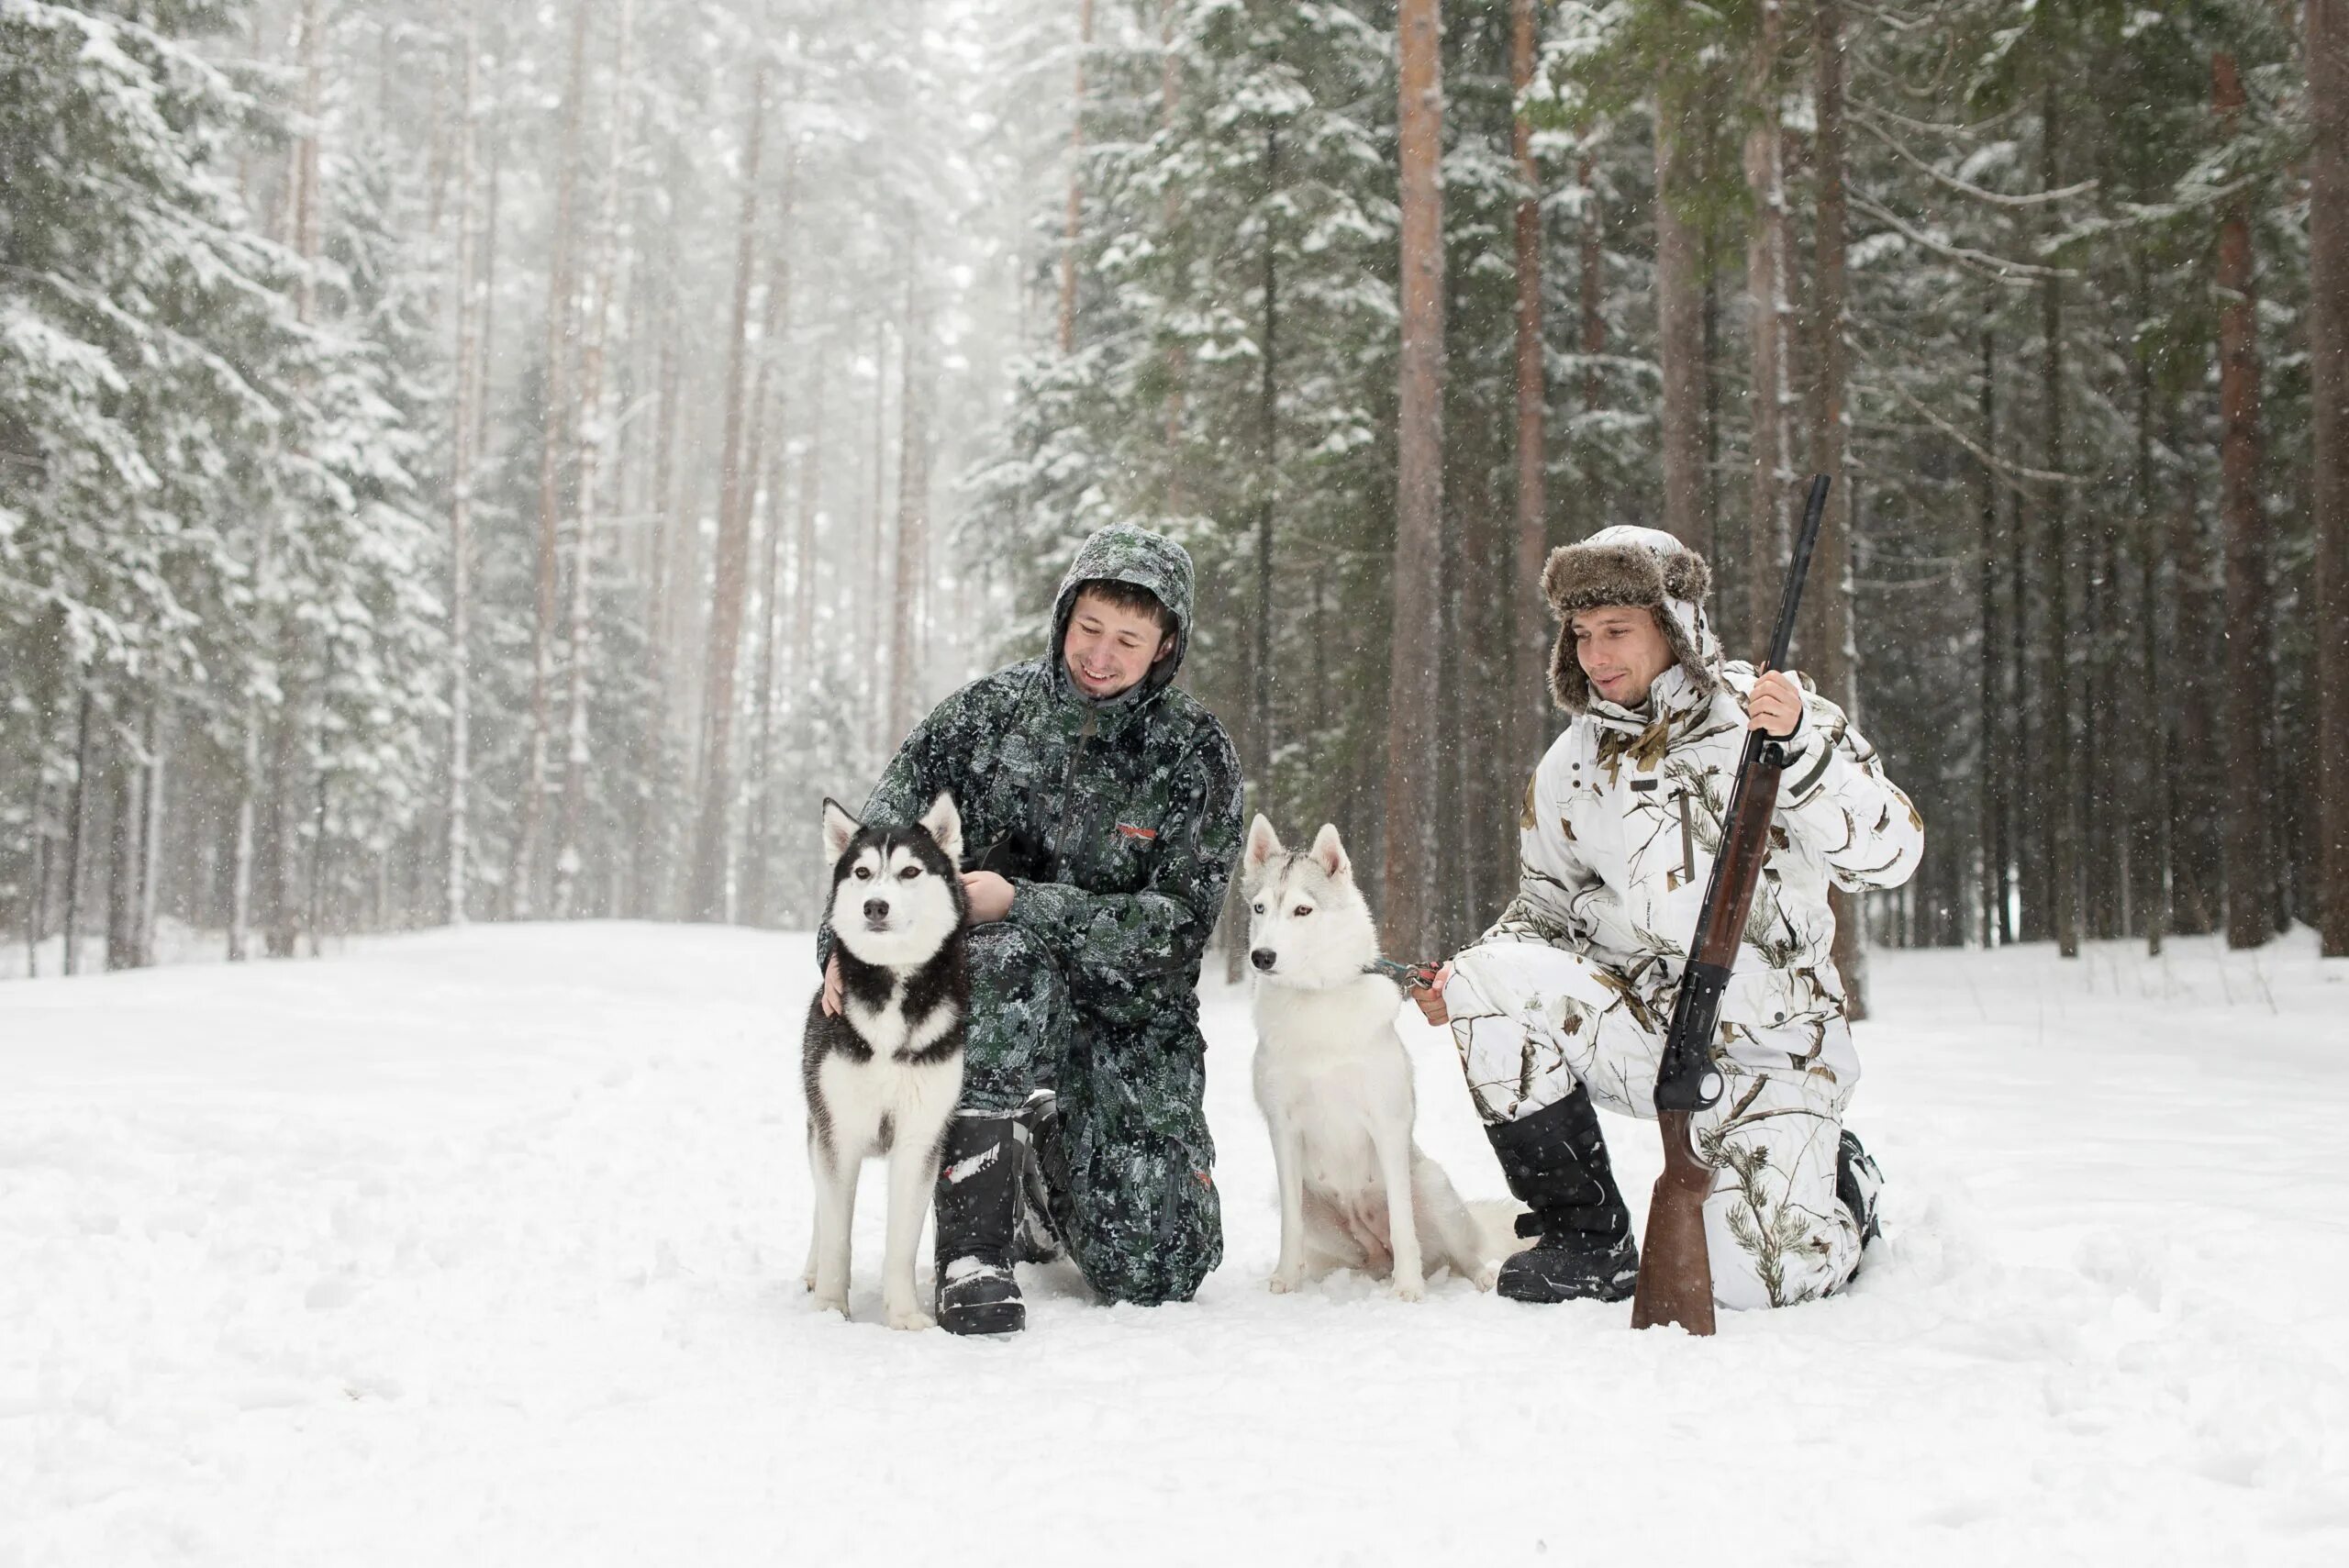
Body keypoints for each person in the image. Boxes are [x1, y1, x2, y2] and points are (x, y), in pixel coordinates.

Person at [1411, 525, 1920, 1309]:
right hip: (1651, 1033)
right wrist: (1462, 980)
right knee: (1486, 976)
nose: (1595, 653)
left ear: (1675, 625)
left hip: (1773, 1048)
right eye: (1581, 634)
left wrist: (1802, 750)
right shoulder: (1573, 761)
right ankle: (1586, 1238)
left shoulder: (1775, 716)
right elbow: (1542, 909)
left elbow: (1892, 855)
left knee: (1751, 1285)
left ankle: (1842, 1184)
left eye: (1618, 629)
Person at [820, 524, 1243, 1335]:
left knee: (1156, 1268)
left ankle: (1043, 1165)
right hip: (996, 1000)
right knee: (1002, 961)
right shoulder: (984, 718)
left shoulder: (1196, 753)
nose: (1102, 654)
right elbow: (875, 842)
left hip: (1130, 1023)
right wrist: (836, 945)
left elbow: (1178, 933)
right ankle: (974, 1247)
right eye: (1089, 627)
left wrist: (1024, 899)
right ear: (1063, 617)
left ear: (1164, 646)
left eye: (1128, 638)